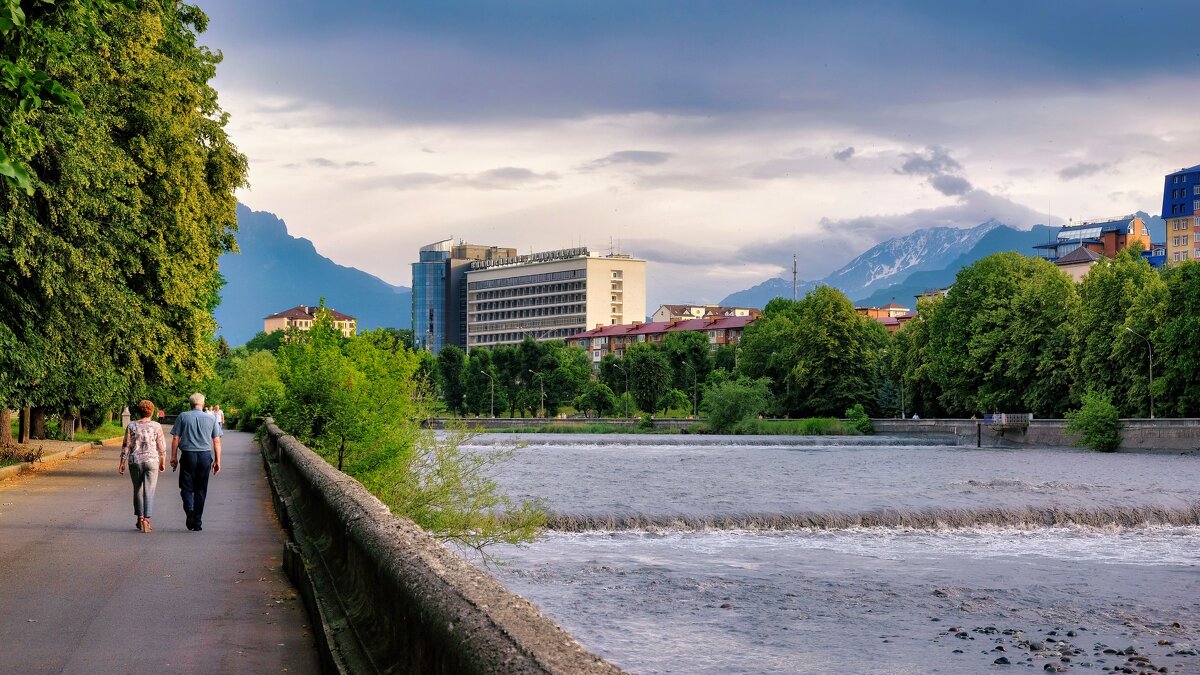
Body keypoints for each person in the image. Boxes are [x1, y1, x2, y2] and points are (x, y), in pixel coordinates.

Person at [170, 392, 222, 532]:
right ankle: (197, 522)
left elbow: (176, 438)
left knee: (186, 488)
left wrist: (173, 456)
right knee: (200, 489)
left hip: (188, 456)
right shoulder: (211, 418)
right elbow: (216, 441)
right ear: (203, 404)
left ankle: (190, 509)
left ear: (190, 404)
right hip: (205, 456)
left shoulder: (183, 416)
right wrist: (217, 460)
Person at [118, 400, 167, 533]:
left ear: (139, 411)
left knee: (138, 489)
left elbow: (126, 445)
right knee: (149, 490)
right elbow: (161, 447)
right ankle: (147, 519)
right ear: (152, 411)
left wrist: (122, 462)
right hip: (152, 461)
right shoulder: (156, 426)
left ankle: (140, 518)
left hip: (135, 461)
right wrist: (162, 461)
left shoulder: (131, 426)